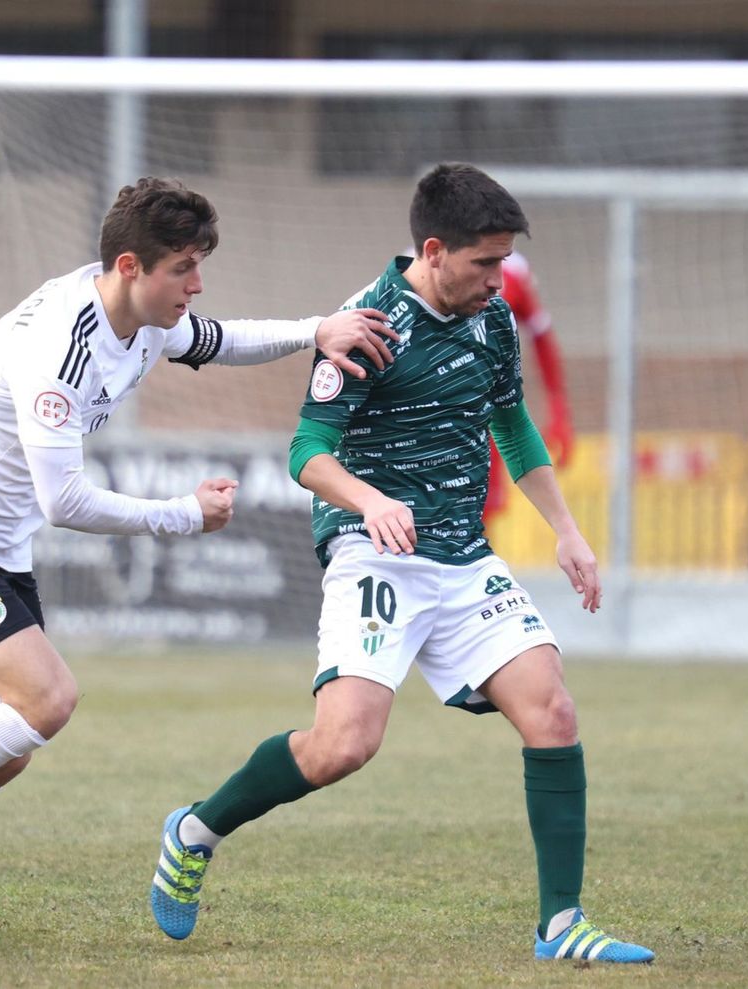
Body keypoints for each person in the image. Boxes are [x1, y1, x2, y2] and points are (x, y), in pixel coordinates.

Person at [0, 177, 400, 946]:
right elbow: (66, 502)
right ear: (130, 265)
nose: (197, 283)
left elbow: (223, 339)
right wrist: (180, 515)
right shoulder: (62, 346)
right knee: (49, 698)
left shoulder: (146, 322)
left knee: (2, 748)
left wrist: (314, 328)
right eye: (184, 267)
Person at [148, 163, 654, 964]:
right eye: (486, 263)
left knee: (552, 711)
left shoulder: (494, 322)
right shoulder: (366, 323)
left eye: (504, 261)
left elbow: (512, 426)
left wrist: (565, 529)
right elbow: (307, 454)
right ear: (434, 249)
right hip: (376, 551)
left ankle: (562, 925)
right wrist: (370, 501)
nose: (500, 279)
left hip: (462, 552)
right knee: (342, 744)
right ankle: (195, 829)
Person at [483, 252, 574, 524]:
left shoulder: (512, 273)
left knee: (480, 511)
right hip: (426, 421)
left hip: (485, 418)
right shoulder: (414, 272)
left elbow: (541, 337)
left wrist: (559, 413)